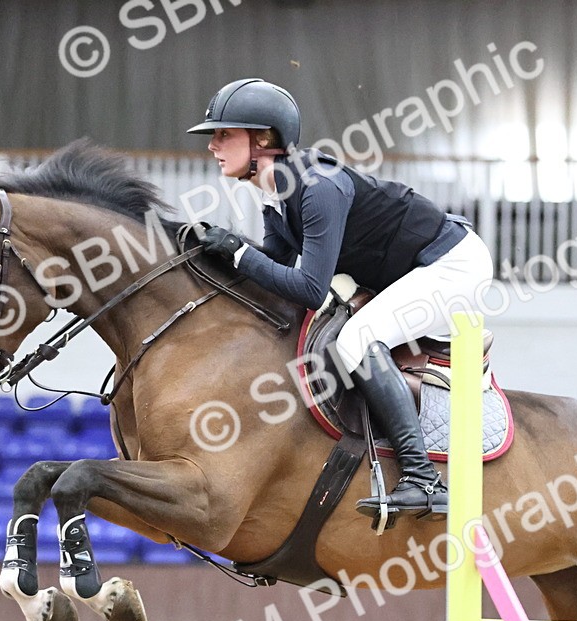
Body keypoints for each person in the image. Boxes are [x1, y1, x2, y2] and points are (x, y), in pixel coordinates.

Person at [187, 78, 493, 522]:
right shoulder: (276, 190)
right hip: (423, 264)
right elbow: (273, 260)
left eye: (224, 134)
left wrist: (236, 251)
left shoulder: (318, 187)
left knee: (356, 339)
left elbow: (310, 287)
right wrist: (213, 253)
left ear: (264, 140)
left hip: (453, 265)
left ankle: (423, 479)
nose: (213, 145)